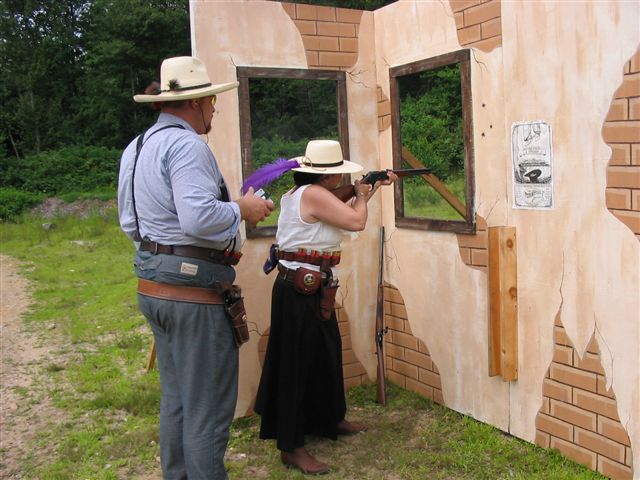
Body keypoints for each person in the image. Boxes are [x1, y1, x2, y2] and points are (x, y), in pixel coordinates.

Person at [117, 56, 273, 480]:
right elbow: (199, 218)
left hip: (154, 287)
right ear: (196, 102)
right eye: (211, 101)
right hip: (193, 296)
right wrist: (243, 208)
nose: (214, 109)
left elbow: (130, 223)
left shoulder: (137, 147)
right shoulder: (186, 146)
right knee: (206, 408)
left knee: (179, 400)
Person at [254, 139, 396, 475]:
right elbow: (356, 221)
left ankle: (329, 418)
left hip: (312, 287)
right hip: (300, 289)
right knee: (298, 364)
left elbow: (345, 212)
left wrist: (367, 189)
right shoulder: (315, 195)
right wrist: (362, 194)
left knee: (324, 354)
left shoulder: (305, 194)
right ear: (328, 177)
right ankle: (291, 446)